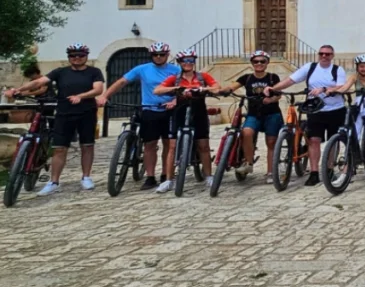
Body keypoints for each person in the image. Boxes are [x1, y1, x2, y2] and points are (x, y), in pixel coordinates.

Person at [4, 44, 104, 196]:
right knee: (59, 148)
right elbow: (39, 82)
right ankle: (54, 182)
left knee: (87, 146)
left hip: (86, 113)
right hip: (64, 113)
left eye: (80, 55)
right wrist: (18, 90)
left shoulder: (94, 72)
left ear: (86, 56)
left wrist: (81, 96)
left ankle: (86, 177)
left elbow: (98, 89)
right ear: (68, 57)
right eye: (73, 55)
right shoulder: (60, 72)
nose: (76, 58)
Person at [97, 42, 179, 190]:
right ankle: (150, 177)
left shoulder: (176, 70)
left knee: (169, 144)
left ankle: (166, 174)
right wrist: (105, 96)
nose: (159, 57)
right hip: (149, 109)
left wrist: (175, 100)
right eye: (155, 54)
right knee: (150, 144)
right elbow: (122, 82)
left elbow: (184, 88)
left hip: (169, 110)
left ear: (167, 55)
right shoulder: (142, 69)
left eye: (162, 54)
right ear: (151, 55)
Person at [270, 45, 348, 187]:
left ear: (332, 55)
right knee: (313, 141)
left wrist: (325, 89)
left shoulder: (338, 70)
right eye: (321, 53)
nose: (324, 56)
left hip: (335, 109)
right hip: (315, 109)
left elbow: (341, 87)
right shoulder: (310, 67)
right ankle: (313, 173)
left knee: (333, 141)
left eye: (328, 54)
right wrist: (274, 88)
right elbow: (291, 80)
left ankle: (329, 169)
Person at [153, 49, 218, 192]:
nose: (187, 63)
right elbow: (157, 90)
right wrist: (177, 88)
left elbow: (217, 88)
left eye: (190, 60)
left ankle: (208, 176)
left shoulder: (203, 76)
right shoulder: (174, 78)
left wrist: (203, 89)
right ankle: (169, 180)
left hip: (198, 112)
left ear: (194, 62)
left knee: (204, 146)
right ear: (180, 63)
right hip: (179, 112)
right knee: (172, 146)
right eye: (184, 61)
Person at [217, 50, 282, 184]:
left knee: (271, 142)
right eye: (256, 61)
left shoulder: (272, 77)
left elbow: (278, 93)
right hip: (254, 113)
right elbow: (233, 86)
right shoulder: (246, 78)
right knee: (246, 133)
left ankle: (270, 172)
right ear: (252, 63)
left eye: (262, 61)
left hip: (272, 113)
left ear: (267, 63)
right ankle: (249, 162)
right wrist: (225, 91)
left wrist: (271, 100)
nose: (259, 64)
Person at [326, 53, 365, 184]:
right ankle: (345, 172)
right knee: (352, 136)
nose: (364, 69)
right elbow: (344, 87)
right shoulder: (354, 77)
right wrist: (334, 91)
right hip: (360, 106)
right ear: (357, 67)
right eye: (361, 67)